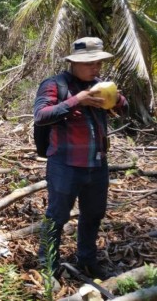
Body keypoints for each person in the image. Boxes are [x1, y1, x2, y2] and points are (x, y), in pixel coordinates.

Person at [34, 37, 128, 282]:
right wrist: (77, 100)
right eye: (89, 63)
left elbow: (123, 107)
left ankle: (87, 260)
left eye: (98, 63)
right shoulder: (55, 84)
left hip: (97, 166)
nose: (95, 68)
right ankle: (48, 265)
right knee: (56, 216)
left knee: (93, 214)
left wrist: (116, 99)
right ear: (74, 63)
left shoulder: (101, 85)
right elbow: (41, 115)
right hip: (65, 164)